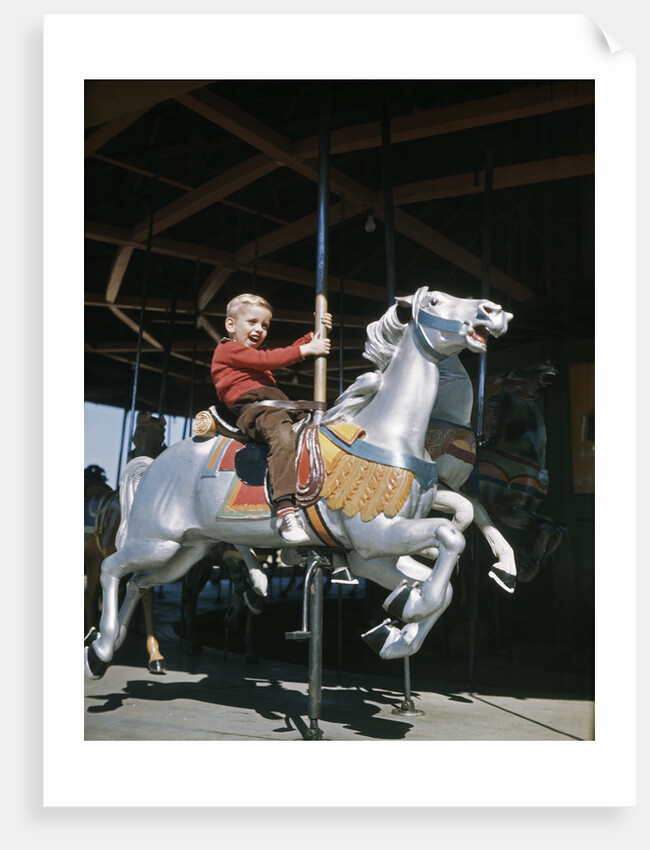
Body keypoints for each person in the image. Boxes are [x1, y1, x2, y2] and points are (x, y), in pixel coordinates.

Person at [211, 293, 332, 544]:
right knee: (283, 437)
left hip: (278, 406)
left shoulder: (248, 356)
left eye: (265, 325)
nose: (260, 329)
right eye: (253, 322)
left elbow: (279, 353)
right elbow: (270, 359)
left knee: (325, 432)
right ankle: (285, 509)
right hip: (255, 411)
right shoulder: (227, 349)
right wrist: (306, 349)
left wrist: (314, 334)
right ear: (231, 325)